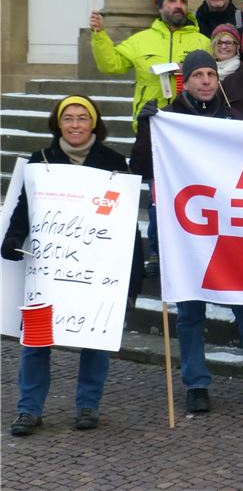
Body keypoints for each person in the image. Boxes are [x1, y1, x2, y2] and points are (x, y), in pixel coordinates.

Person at [129, 51, 243, 416]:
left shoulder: (232, 120)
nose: (205, 81)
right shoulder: (168, 120)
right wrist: (146, 129)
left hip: (233, 232)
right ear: (185, 81)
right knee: (191, 313)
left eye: (210, 74)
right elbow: (141, 168)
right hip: (187, 233)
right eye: (198, 75)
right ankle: (196, 385)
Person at [2, 95, 144, 435]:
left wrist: (133, 275)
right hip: (49, 269)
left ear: (94, 123)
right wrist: (12, 238)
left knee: (94, 339)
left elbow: (126, 223)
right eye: (69, 118)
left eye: (82, 117)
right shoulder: (41, 160)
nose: (75, 124)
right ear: (58, 123)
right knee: (36, 340)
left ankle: (87, 406)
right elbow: (24, 208)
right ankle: (29, 409)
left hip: (96, 271)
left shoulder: (113, 163)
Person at [89, 0, 211, 128]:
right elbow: (110, 65)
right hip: (150, 120)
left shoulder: (203, 42)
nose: (179, 6)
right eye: (172, 1)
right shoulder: (140, 40)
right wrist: (99, 34)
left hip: (190, 121)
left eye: (183, 1)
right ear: (159, 7)